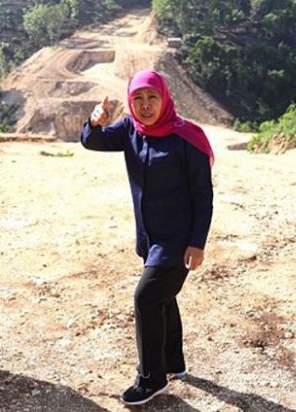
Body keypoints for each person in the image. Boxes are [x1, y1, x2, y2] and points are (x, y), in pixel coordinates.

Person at [81, 69, 214, 406]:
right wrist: (95, 122)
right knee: (162, 298)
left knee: (146, 299)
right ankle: (173, 362)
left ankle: (151, 378)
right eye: (137, 98)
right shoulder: (130, 131)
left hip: (179, 241)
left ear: (165, 98)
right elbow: (92, 141)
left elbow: (203, 196)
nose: (144, 105)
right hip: (150, 240)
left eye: (151, 97)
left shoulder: (187, 138)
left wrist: (198, 242)